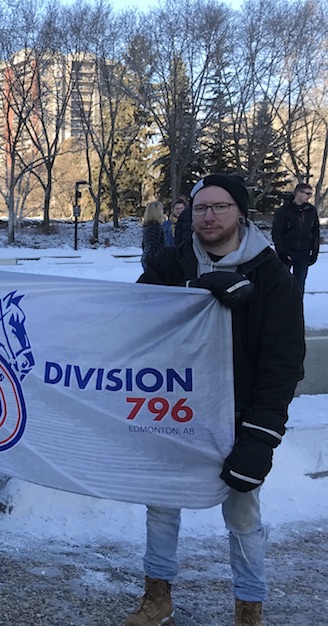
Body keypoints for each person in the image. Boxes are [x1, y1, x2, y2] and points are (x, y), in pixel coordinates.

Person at [129, 174, 305, 626]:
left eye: (219, 207)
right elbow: (133, 312)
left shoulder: (271, 277)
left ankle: (249, 607)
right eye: (200, 208)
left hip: (237, 418)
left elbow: (283, 363)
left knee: (244, 517)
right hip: (175, 412)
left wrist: (261, 438)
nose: (207, 216)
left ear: (240, 213)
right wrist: (191, 293)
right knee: (161, 507)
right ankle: (157, 595)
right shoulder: (173, 262)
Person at [272, 183, 320, 297]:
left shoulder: (311, 211)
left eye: (311, 194)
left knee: (299, 285)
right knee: (283, 284)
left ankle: (297, 312)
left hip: (303, 252)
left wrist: (314, 252)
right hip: (287, 252)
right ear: (298, 193)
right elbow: (277, 233)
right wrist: (282, 252)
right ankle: (281, 311)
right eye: (307, 193)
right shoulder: (284, 211)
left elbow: (315, 232)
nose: (309, 196)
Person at [141, 201, 166, 270]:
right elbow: (155, 248)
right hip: (154, 262)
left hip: (146, 258)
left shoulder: (147, 227)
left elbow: (144, 245)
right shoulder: (156, 227)